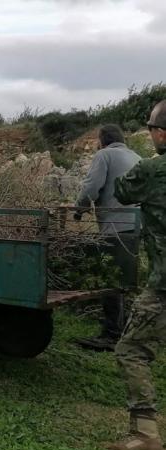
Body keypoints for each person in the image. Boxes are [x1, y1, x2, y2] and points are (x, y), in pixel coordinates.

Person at [106, 100, 166, 450]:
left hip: (164, 283)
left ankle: (145, 435)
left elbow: (123, 192)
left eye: (153, 130)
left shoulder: (153, 169)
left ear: (160, 134)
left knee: (130, 350)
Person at [73, 124, 141, 351]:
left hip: (115, 227)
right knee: (123, 280)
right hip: (136, 226)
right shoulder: (137, 157)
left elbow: (91, 188)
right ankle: (125, 331)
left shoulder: (104, 155)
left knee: (109, 279)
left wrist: (79, 209)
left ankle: (111, 336)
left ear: (102, 140)